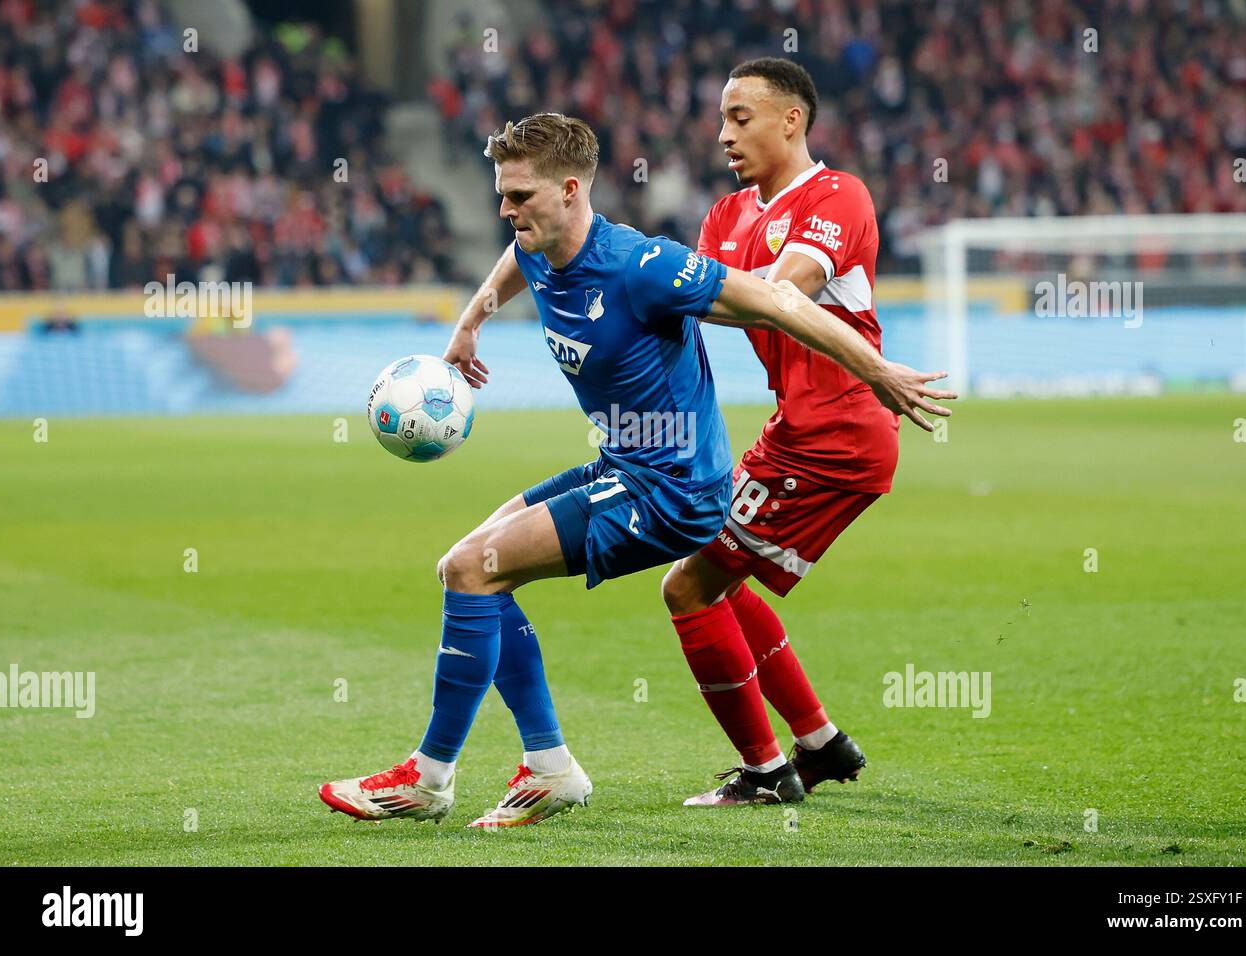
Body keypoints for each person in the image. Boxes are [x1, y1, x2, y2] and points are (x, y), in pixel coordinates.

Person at [320, 111, 954, 827]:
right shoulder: (538, 241)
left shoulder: (641, 267)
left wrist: (876, 371)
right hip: (625, 463)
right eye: (502, 195)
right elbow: (515, 261)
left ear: (569, 190)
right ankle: (550, 769)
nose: (506, 210)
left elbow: (776, 300)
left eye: (520, 196)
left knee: (476, 570)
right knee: (459, 568)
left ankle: (428, 780)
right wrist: (472, 322)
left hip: (675, 491)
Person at [662, 58, 926, 806]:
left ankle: (770, 772)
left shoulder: (839, 196)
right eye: (720, 120)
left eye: (740, 118)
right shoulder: (726, 215)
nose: (723, 135)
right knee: (707, 570)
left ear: (792, 120)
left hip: (837, 434)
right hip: (797, 430)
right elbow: (689, 308)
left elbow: (782, 291)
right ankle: (820, 744)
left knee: (688, 587)